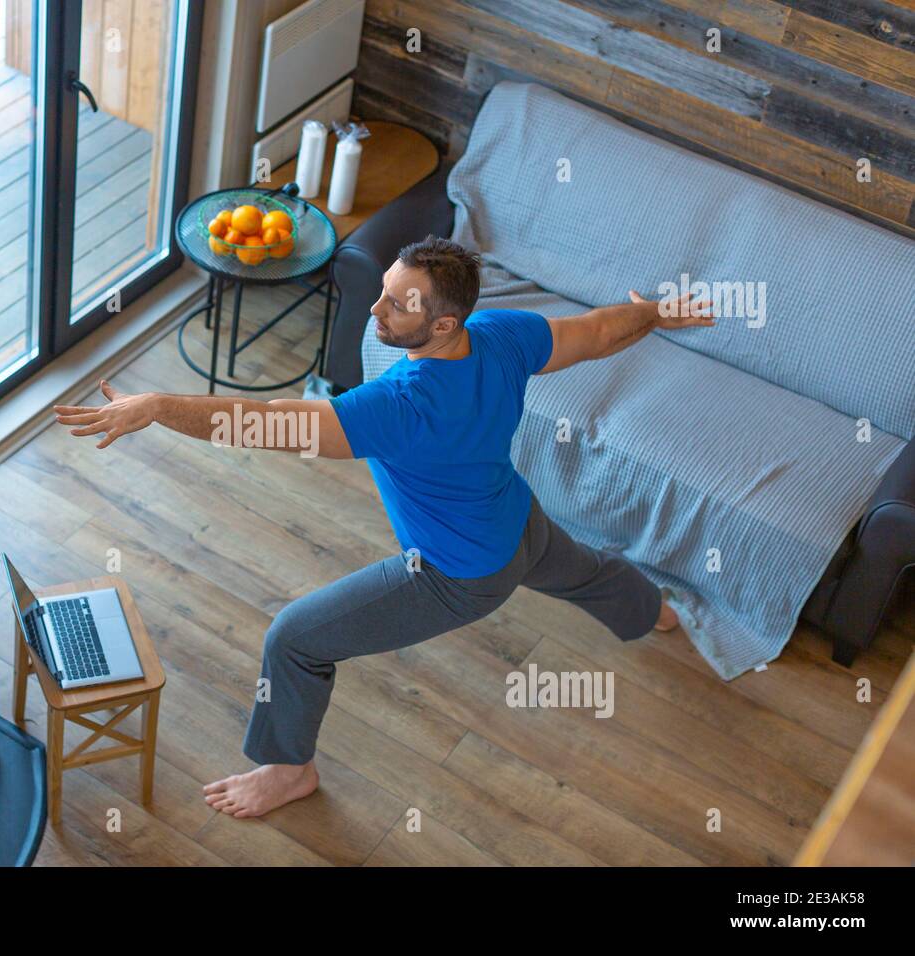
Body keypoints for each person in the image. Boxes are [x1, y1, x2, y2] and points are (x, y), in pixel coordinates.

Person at [54, 235, 714, 818]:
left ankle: (290, 771)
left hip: (457, 577)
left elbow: (262, 424)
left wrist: (158, 406)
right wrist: (654, 312)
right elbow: (600, 331)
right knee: (586, 571)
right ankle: (654, 612)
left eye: (399, 304)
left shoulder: (400, 407)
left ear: (445, 321)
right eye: (384, 292)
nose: (376, 310)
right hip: (519, 522)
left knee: (295, 637)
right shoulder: (504, 336)